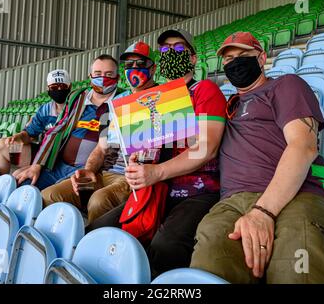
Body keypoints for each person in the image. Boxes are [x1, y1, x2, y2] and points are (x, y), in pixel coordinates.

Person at [190, 32, 324, 284]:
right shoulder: (228, 107)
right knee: (209, 265)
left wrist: (262, 211)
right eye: (229, 59)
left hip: (297, 192)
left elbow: (303, 146)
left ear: (262, 58)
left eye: (243, 56)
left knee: (299, 265)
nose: (235, 63)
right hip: (233, 202)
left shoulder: (286, 85)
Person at [87, 29, 227, 277]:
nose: (171, 53)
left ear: (193, 58)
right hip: (157, 190)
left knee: (165, 247)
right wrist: (137, 164)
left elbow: (207, 148)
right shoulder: (155, 98)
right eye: (165, 50)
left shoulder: (204, 90)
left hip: (197, 191)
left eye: (179, 48)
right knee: (98, 231)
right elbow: (144, 151)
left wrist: (157, 171)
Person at [42, 41, 159, 224]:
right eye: (129, 65)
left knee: (98, 202)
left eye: (141, 64)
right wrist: (88, 170)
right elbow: (101, 146)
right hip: (104, 172)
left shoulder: (164, 97)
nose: (134, 69)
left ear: (153, 69)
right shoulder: (115, 102)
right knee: (50, 194)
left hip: (132, 176)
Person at [13, 55, 122, 193]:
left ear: (117, 78)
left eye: (109, 74)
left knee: (47, 196)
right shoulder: (77, 98)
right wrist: (37, 165)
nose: (103, 78)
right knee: (22, 186)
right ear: (90, 76)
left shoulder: (122, 103)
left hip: (88, 170)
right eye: (98, 74)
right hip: (57, 164)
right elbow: (56, 130)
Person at [0, 69, 69, 175]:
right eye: (54, 87)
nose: (58, 90)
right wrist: (18, 137)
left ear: (70, 86)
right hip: (44, 155)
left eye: (62, 86)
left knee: (17, 175)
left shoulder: (79, 108)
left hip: (66, 159)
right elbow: (28, 135)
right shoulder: (45, 110)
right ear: (48, 89)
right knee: (0, 146)